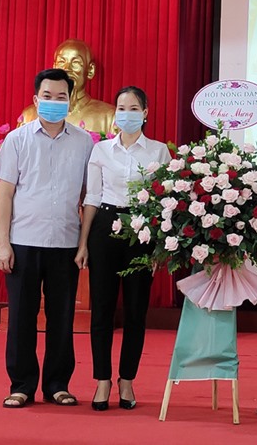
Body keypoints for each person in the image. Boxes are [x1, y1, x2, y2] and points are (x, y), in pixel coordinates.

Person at [0, 68, 94, 408]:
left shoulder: (84, 142)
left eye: (61, 97)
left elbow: (88, 196)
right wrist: (3, 243)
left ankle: (57, 385)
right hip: (23, 241)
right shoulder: (17, 140)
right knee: (21, 317)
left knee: (62, 318)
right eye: (47, 96)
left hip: (65, 242)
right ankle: (21, 385)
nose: (53, 102)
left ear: (70, 101)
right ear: (36, 100)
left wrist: (84, 243)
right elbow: (5, 194)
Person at [74, 86, 171, 412]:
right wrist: (83, 243)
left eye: (133, 109)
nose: (126, 114)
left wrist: (160, 247)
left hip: (142, 232)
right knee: (102, 309)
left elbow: (164, 203)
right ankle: (102, 379)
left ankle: (127, 379)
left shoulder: (159, 151)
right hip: (105, 228)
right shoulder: (101, 150)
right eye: (121, 108)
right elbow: (91, 198)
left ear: (145, 113)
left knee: (135, 311)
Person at [20, 39, 115, 134]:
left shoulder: (109, 117)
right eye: (61, 62)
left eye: (75, 63)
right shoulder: (29, 115)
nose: (66, 69)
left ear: (90, 70)